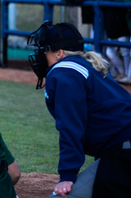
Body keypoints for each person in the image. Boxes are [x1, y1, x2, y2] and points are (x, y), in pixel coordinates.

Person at [27, 21, 131, 198]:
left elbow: (71, 127)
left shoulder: (63, 73)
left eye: (45, 50)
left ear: (59, 53)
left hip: (124, 153)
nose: (41, 55)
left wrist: (67, 175)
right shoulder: (88, 65)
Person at [103, 0, 130, 81]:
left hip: (122, 30)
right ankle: (121, 72)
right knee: (109, 52)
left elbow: (126, 0)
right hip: (112, 31)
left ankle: (127, 74)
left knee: (125, 52)